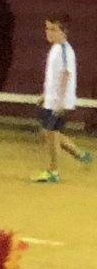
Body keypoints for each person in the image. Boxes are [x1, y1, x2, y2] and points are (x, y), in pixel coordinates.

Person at [37, 16, 92, 183]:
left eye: (53, 29)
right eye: (47, 28)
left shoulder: (64, 50)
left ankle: (53, 171)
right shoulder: (56, 48)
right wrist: (46, 95)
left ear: (63, 32)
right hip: (52, 99)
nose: (48, 33)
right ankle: (80, 154)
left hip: (59, 101)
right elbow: (54, 76)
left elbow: (66, 75)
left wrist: (60, 101)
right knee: (48, 133)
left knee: (51, 134)